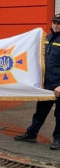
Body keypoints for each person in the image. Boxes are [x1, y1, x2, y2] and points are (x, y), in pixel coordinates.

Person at [14, 13, 60, 149]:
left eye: (59, 23)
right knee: (40, 111)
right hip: (46, 84)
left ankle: (58, 139)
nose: (57, 25)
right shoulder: (48, 38)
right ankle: (31, 134)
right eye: (55, 23)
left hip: (58, 85)